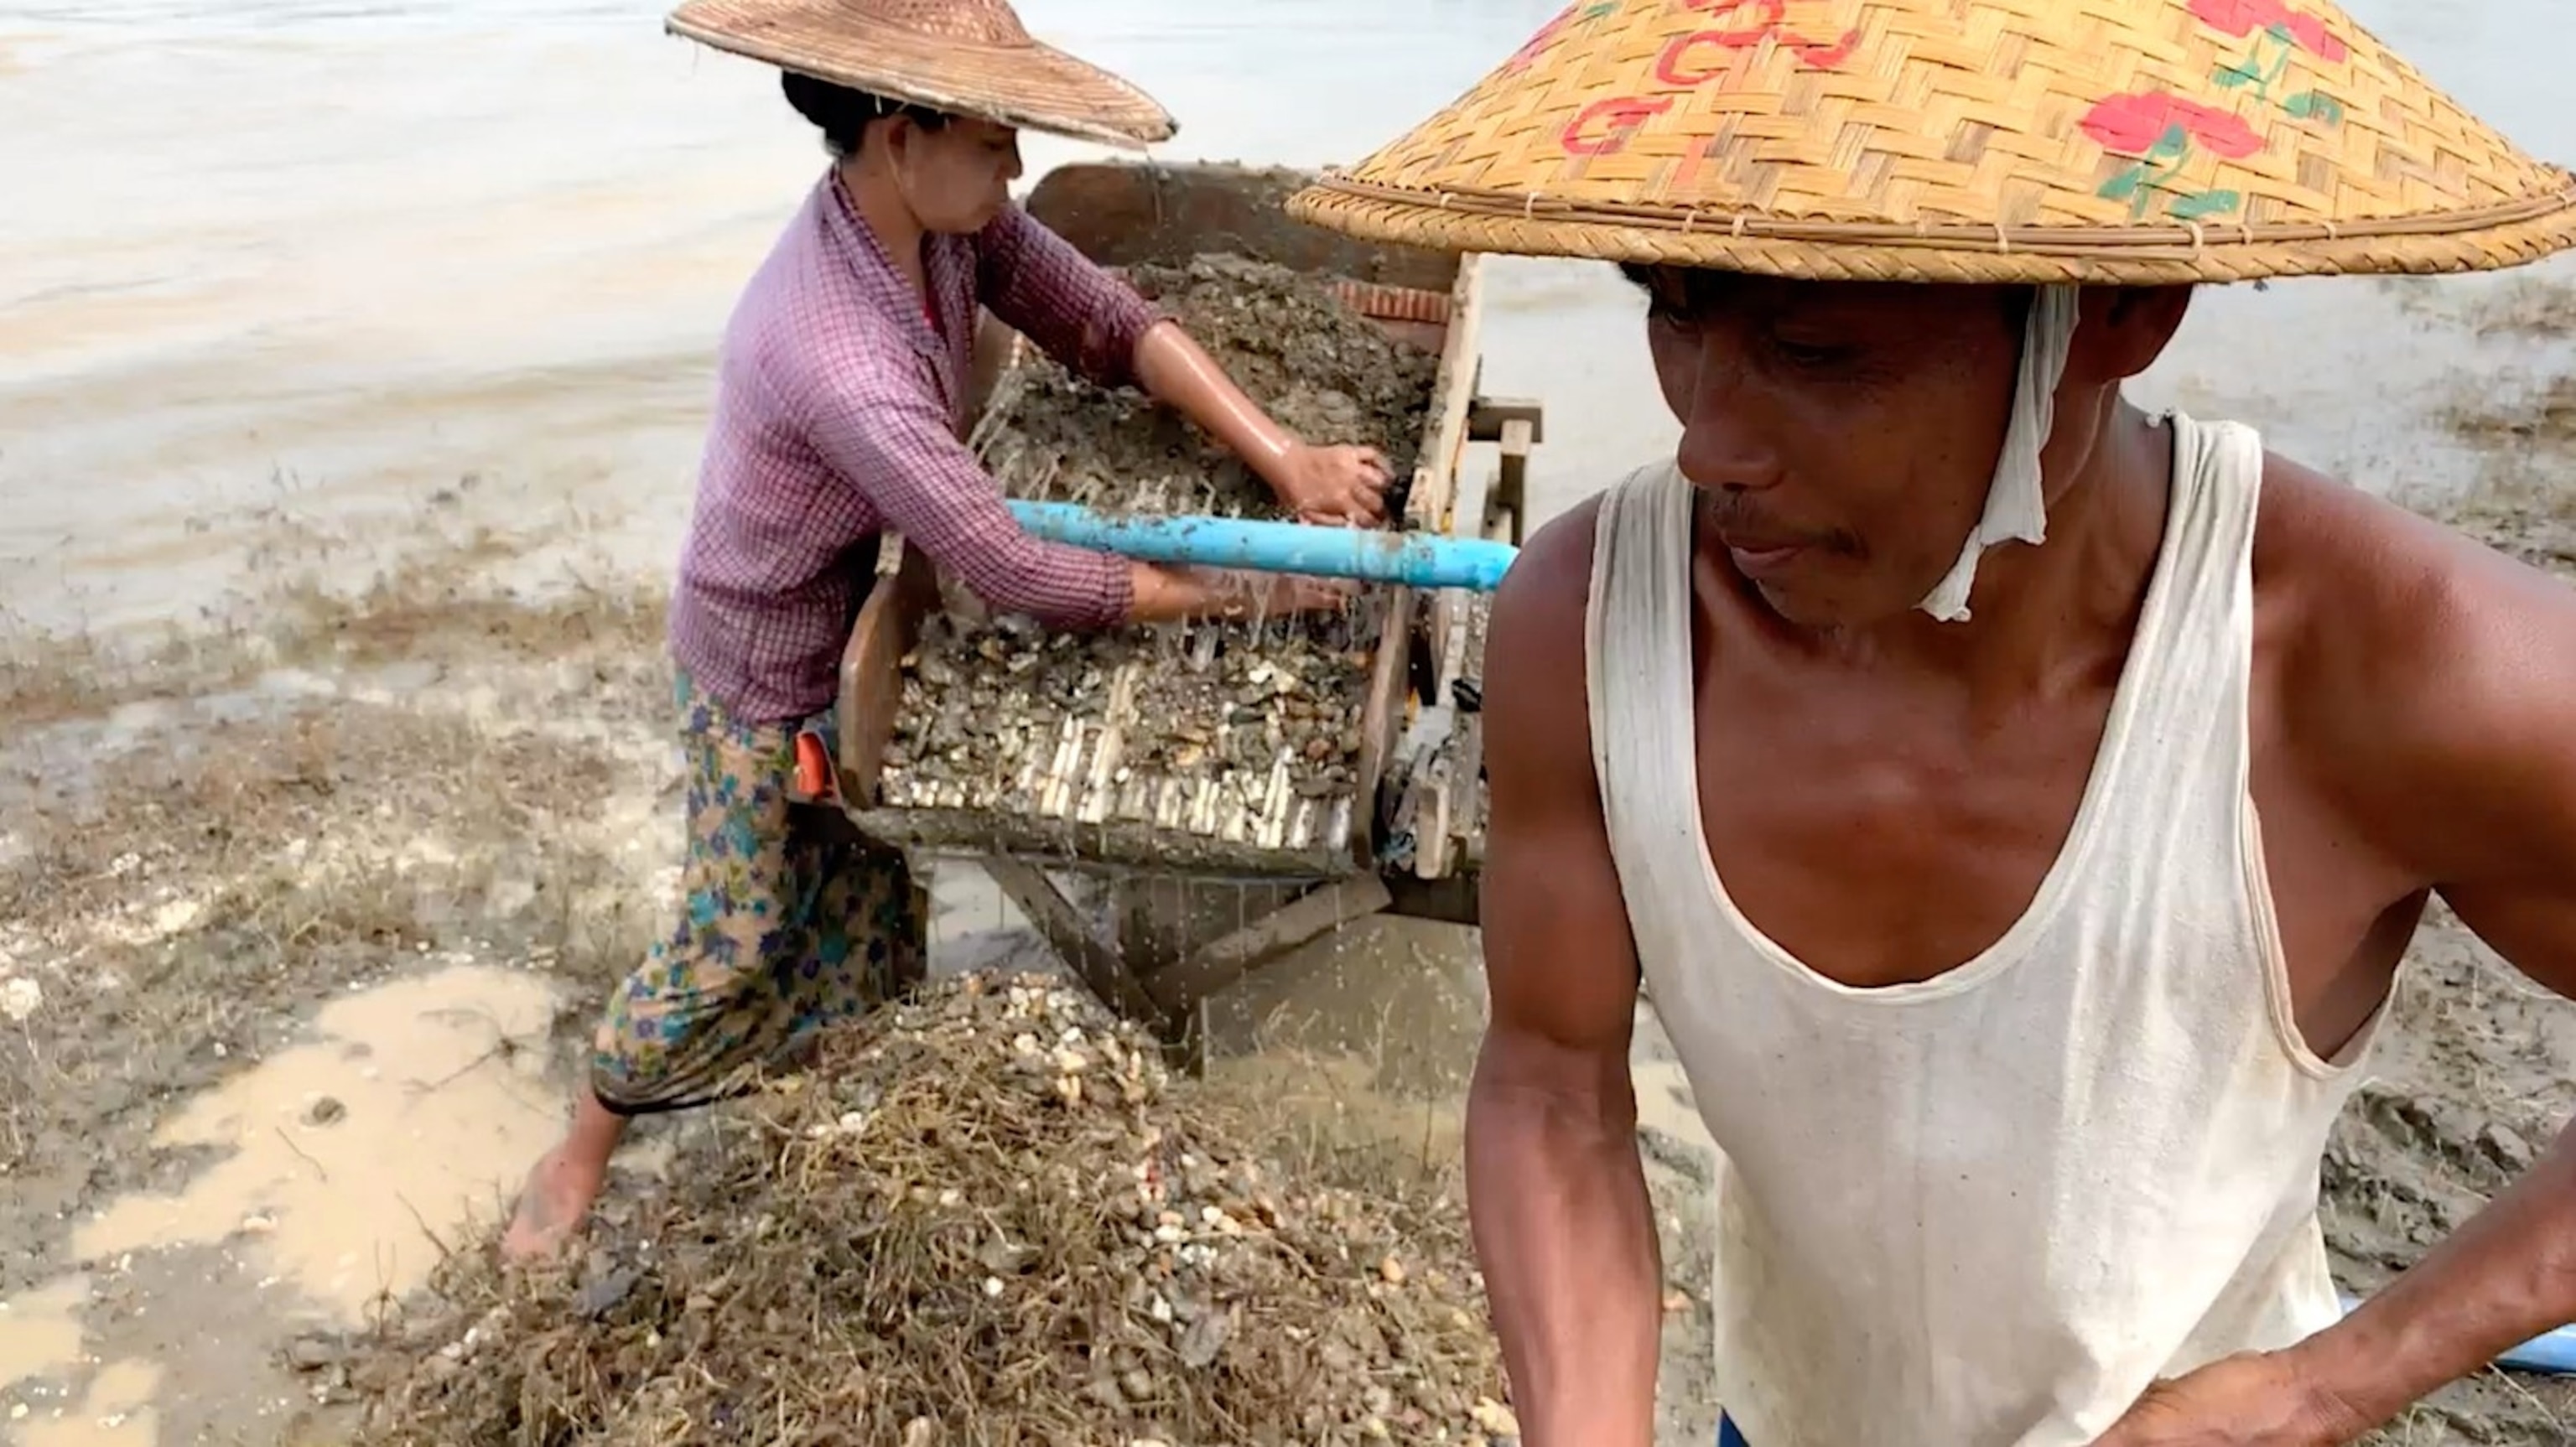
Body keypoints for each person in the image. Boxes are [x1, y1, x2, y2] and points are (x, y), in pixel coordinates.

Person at [1285, 3, 2576, 1444]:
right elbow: (1550, 1082)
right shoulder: (1592, 626)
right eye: (1670, 308)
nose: (1709, 441)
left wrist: (2328, 1380)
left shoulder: (2370, 664)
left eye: (1817, 348)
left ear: (2118, 310)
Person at [502, 0, 1390, 1261]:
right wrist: (1252, 593)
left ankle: (827, 1108)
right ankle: (584, 1137)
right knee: (735, 933)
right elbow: (1014, 567)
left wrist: (1283, 455)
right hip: (753, 664)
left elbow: (1105, 317)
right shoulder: (840, 350)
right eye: (992, 137)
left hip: (848, 611)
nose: (1015, 165)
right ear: (896, 131)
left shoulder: (944, 231)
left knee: (871, 910)